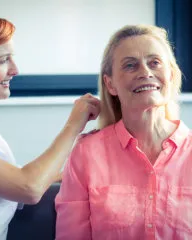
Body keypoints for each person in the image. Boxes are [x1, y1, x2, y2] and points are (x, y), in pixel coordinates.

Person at [0, 10, 100, 240]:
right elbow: (27, 187)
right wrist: (74, 125)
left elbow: (23, 179)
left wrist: (73, 174)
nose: (15, 70)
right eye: (3, 60)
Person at [55, 24, 192, 240]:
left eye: (155, 63)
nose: (146, 72)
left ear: (171, 75)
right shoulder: (86, 153)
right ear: (110, 84)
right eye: (130, 65)